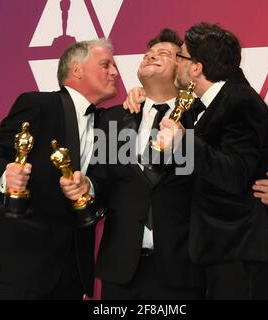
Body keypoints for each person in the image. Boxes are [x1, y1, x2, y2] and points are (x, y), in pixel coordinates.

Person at [61, 29, 205, 299]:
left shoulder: (202, 119)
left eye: (164, 53)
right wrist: (87, 187)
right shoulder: (112, 120)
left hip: (184, 269)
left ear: (184, 65)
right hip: (121, 270)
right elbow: (102, 180)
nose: (151, 55)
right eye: (148, 53)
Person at [0, 39, 118, 299]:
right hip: (20, 265)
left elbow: (106, 184)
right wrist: (7, 176)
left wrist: (89, 187)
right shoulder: (39, 104)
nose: (114, 72)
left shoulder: (108, 123)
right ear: (77, 70)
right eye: (105, 64)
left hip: (71, 273)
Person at [156, 23, 268, 299]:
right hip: (218, 253)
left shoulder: (240, 101)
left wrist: (184, 141)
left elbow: (235, 174)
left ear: (197, 67)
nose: (175, 63)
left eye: (180, 56)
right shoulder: (214, 102)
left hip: (239, 254)